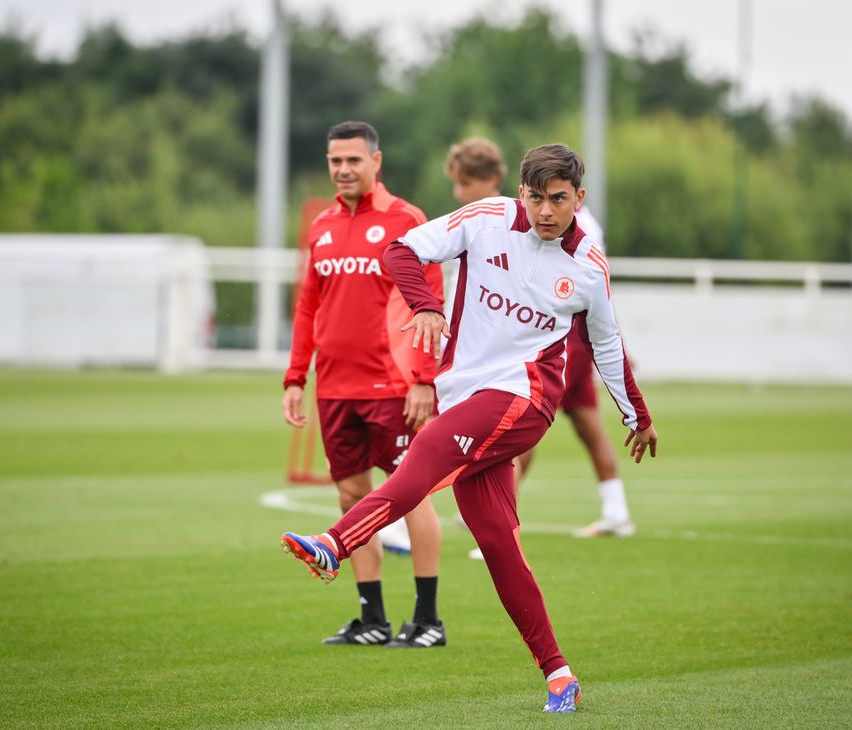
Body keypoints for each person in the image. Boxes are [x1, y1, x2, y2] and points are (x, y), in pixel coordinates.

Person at [282, 143, 658, 713]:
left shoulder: (588, 268)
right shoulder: (485, 219)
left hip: (524, 398)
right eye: (537, 198)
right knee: (500, 548)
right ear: (522, 194)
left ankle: (335, 544)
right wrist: (424, 306)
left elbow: (606, 342)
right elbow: (402, 251)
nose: (547, 211)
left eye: (560, 200)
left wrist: (637, 413)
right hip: (466, 394)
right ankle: (560, 675)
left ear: (579, 199)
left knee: (425, 454)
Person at [282, 121, 448, 649]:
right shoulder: (323, 226)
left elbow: (430, 299)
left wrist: (424, 378)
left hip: (394, 388)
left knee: (412, 497)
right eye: (335, 160)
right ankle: (372, 619)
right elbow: (309, 304)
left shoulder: (406, 220)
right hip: (334, 388)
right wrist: (295, 377)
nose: (343, 169)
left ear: (377, 162)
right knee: (352, 496)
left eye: (353, 159)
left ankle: (427, 619)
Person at [445, 139, 635, 559]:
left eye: (555, 196)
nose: (545, 206)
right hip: (567, 339)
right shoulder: (515, 219)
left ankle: (500, 524)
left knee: (518, 423)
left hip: (559, 339)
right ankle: (616, 508)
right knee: (585, 423)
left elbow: (594, 290)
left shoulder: (575, 231)